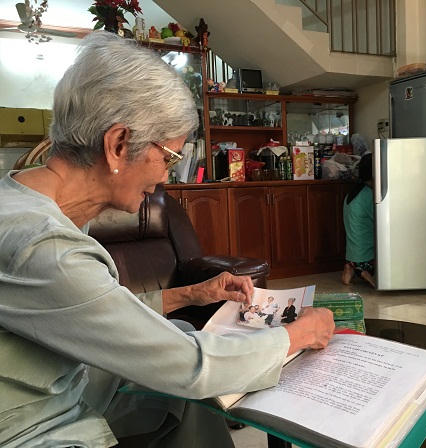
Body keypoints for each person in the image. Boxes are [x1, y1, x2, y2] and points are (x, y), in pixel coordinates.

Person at [0, 31, 335, 448]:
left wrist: (191, 294)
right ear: (118, 144)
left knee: (177, 332)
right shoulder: (44, 246)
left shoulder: (27, 201)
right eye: (169, 157)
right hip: (37, 427)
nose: (167, 176)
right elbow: (187, 365)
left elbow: (87, 308)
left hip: (65, 385)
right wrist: (299, 335)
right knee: (186, 367)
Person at [342, 153, 375, 287]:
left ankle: (351, 267)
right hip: (366, 254)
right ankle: (365, 271)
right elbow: (380, 222)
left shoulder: (353, 193)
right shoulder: (369, 195)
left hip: (352, 254)